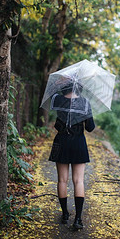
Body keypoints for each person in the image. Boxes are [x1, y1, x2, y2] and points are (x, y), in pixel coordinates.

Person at [49, 82, 95, 230]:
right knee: (78, 181)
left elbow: (57, 125)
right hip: (78, 143)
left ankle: (64, 215)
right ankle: (78, 219)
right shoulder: (85, 103)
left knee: (62, 180)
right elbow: (90, 128)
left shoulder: (57, 99)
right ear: (79, 88)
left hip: (61, 141)